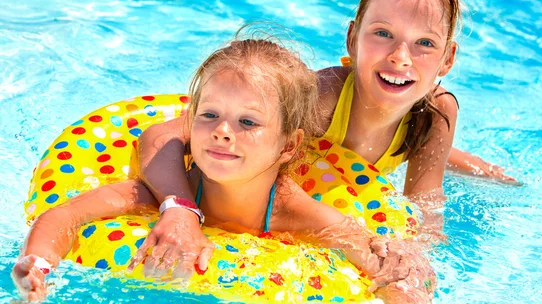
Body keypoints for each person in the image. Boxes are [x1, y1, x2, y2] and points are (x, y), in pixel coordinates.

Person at [132, 0, 517, 277]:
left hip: (366, 177)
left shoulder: (436, 113)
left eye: (425, 44)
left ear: (447, 59)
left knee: (482, 173)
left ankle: (462, 158)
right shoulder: (324, 99)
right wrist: (180, 208)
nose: (401, 57)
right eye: (383, 33)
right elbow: (158, 138)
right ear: (352, 38)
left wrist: (408, 258)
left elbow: (426, 207)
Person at [12, 37, 434, 303]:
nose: (223, 133)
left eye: (248, 122)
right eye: (209, 115)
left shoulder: (292, 211)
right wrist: (39, 268)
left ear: (288, 146)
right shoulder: (159, 191)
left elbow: (379, 260)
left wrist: (401, 282)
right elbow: (66, 215)